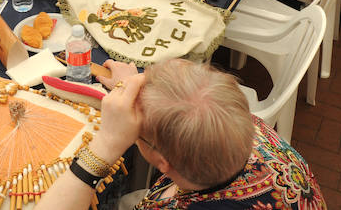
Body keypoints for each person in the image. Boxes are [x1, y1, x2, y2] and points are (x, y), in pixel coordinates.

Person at [35, 59, 326, 210]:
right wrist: (140, 88)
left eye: (139, 132)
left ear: (163, 163)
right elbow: (192, 102)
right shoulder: (237, 125)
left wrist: (105, 145)